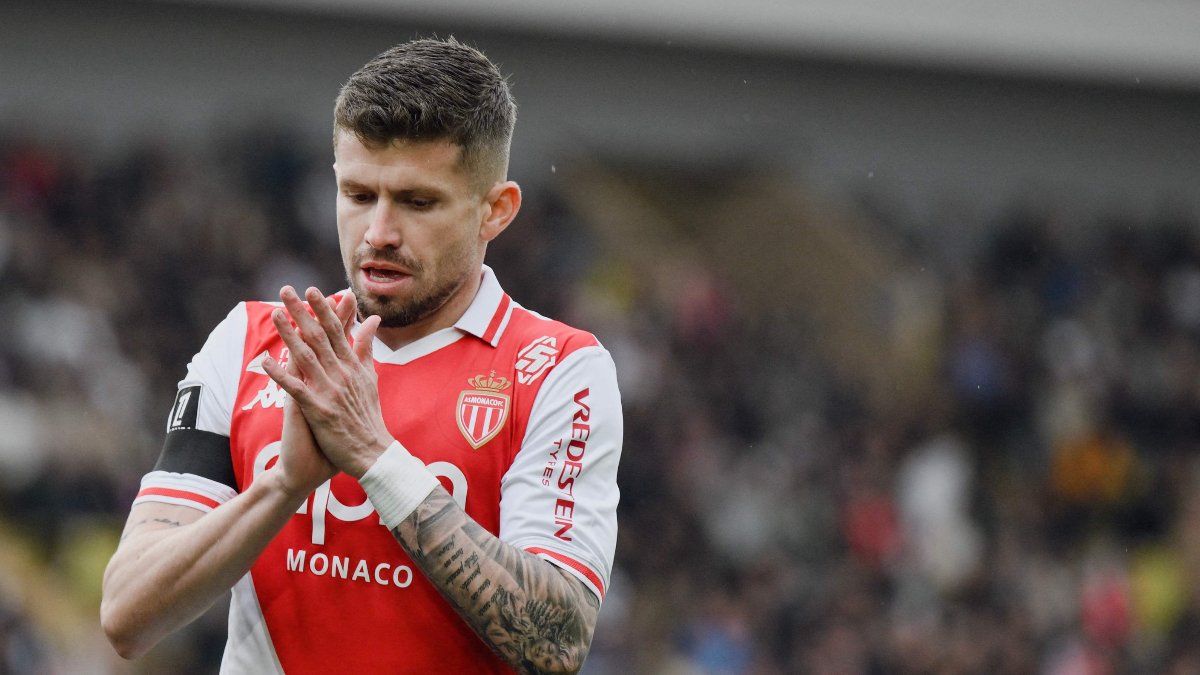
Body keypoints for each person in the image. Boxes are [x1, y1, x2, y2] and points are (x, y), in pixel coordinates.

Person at [100, 37, 622, 675]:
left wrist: (374, 457)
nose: (379, 233)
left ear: (495, 211)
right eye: (357, 195)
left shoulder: (557, 369)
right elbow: (127, 617)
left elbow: (559, 642)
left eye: (417, 202)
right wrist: (282, 485)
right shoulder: (251, 344)